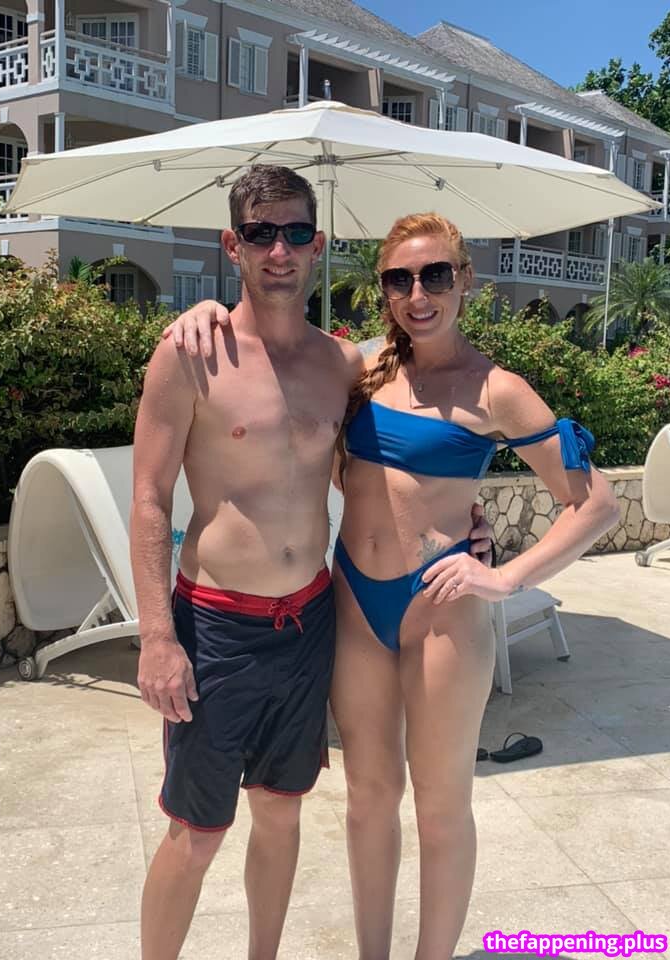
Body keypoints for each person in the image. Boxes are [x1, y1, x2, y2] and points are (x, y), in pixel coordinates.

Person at [165, 212, 620, 960]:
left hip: (443, 610)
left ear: (465, 280)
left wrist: (503, 576)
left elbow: (595, 503)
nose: (418, 294)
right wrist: (208, 310)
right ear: (382, 289)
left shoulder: (497, 390)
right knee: (369, 799)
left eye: (435, 275)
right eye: (399, 279)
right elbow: (274, 354)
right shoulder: (361, 368)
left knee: (441, 808)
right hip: (355, 600)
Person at [131, 167, 491, 960]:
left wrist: (464, 524)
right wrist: (157, 637)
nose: (279, 250)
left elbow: (377, 471)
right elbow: (150, 500)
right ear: (232, 245)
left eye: (295, 232)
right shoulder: (191, 353)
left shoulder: (342, 365)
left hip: (307, 621)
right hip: (217, 624)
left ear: (318, 244)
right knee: (196, 831)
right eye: (260, 233)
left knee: (282, 811)